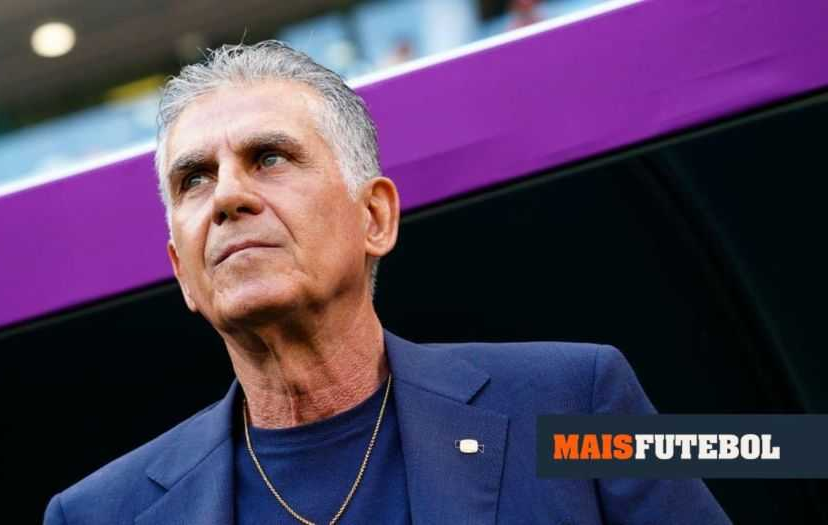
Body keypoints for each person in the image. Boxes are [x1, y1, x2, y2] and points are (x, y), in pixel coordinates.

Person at [44, 41, 730, 524]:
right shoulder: (100, 515)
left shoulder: (572, 402)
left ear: (374, 216)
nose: (227, 196)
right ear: (183, 273)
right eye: (195, 178)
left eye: (269, 158)